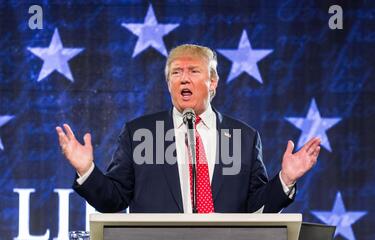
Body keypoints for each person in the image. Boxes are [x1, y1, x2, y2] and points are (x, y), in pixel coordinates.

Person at [56, 44, 320, 214]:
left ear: (213, 82)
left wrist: (285, 179)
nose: (183, 78)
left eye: (193, 71)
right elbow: (112, 200)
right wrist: (86, 170)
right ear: (169, 84)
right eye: (176, 73)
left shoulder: (243, 138)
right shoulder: (140, 134)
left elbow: (256, 207)